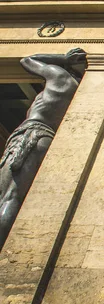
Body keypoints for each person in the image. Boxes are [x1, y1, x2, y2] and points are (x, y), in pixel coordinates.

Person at [0, 48, 87, 249]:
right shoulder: (76, 88)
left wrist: (63, 58)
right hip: (47, 138)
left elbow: (27, 59)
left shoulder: (58, 75)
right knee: (16, 196)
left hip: (29, 133)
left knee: (7, 196)